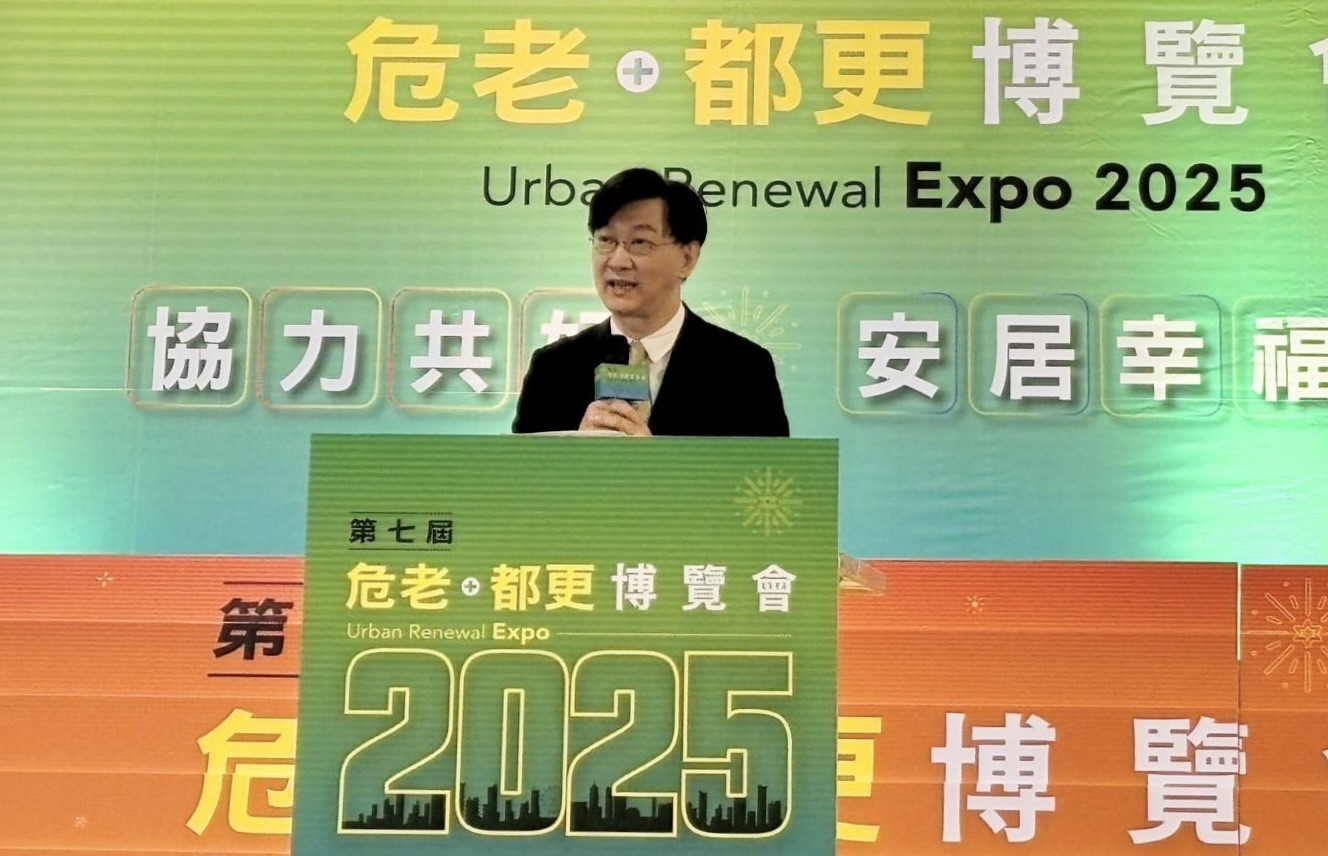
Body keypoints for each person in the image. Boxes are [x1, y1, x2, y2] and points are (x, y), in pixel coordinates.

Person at [512, 167, 789, 437]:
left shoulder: (744, 370)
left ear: (687, 258)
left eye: (640, 242)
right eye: (606, 240)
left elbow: (766, 468)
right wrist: (574, 450)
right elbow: (522, 468)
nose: (618, 261)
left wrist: (652, 460)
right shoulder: (553, 369)